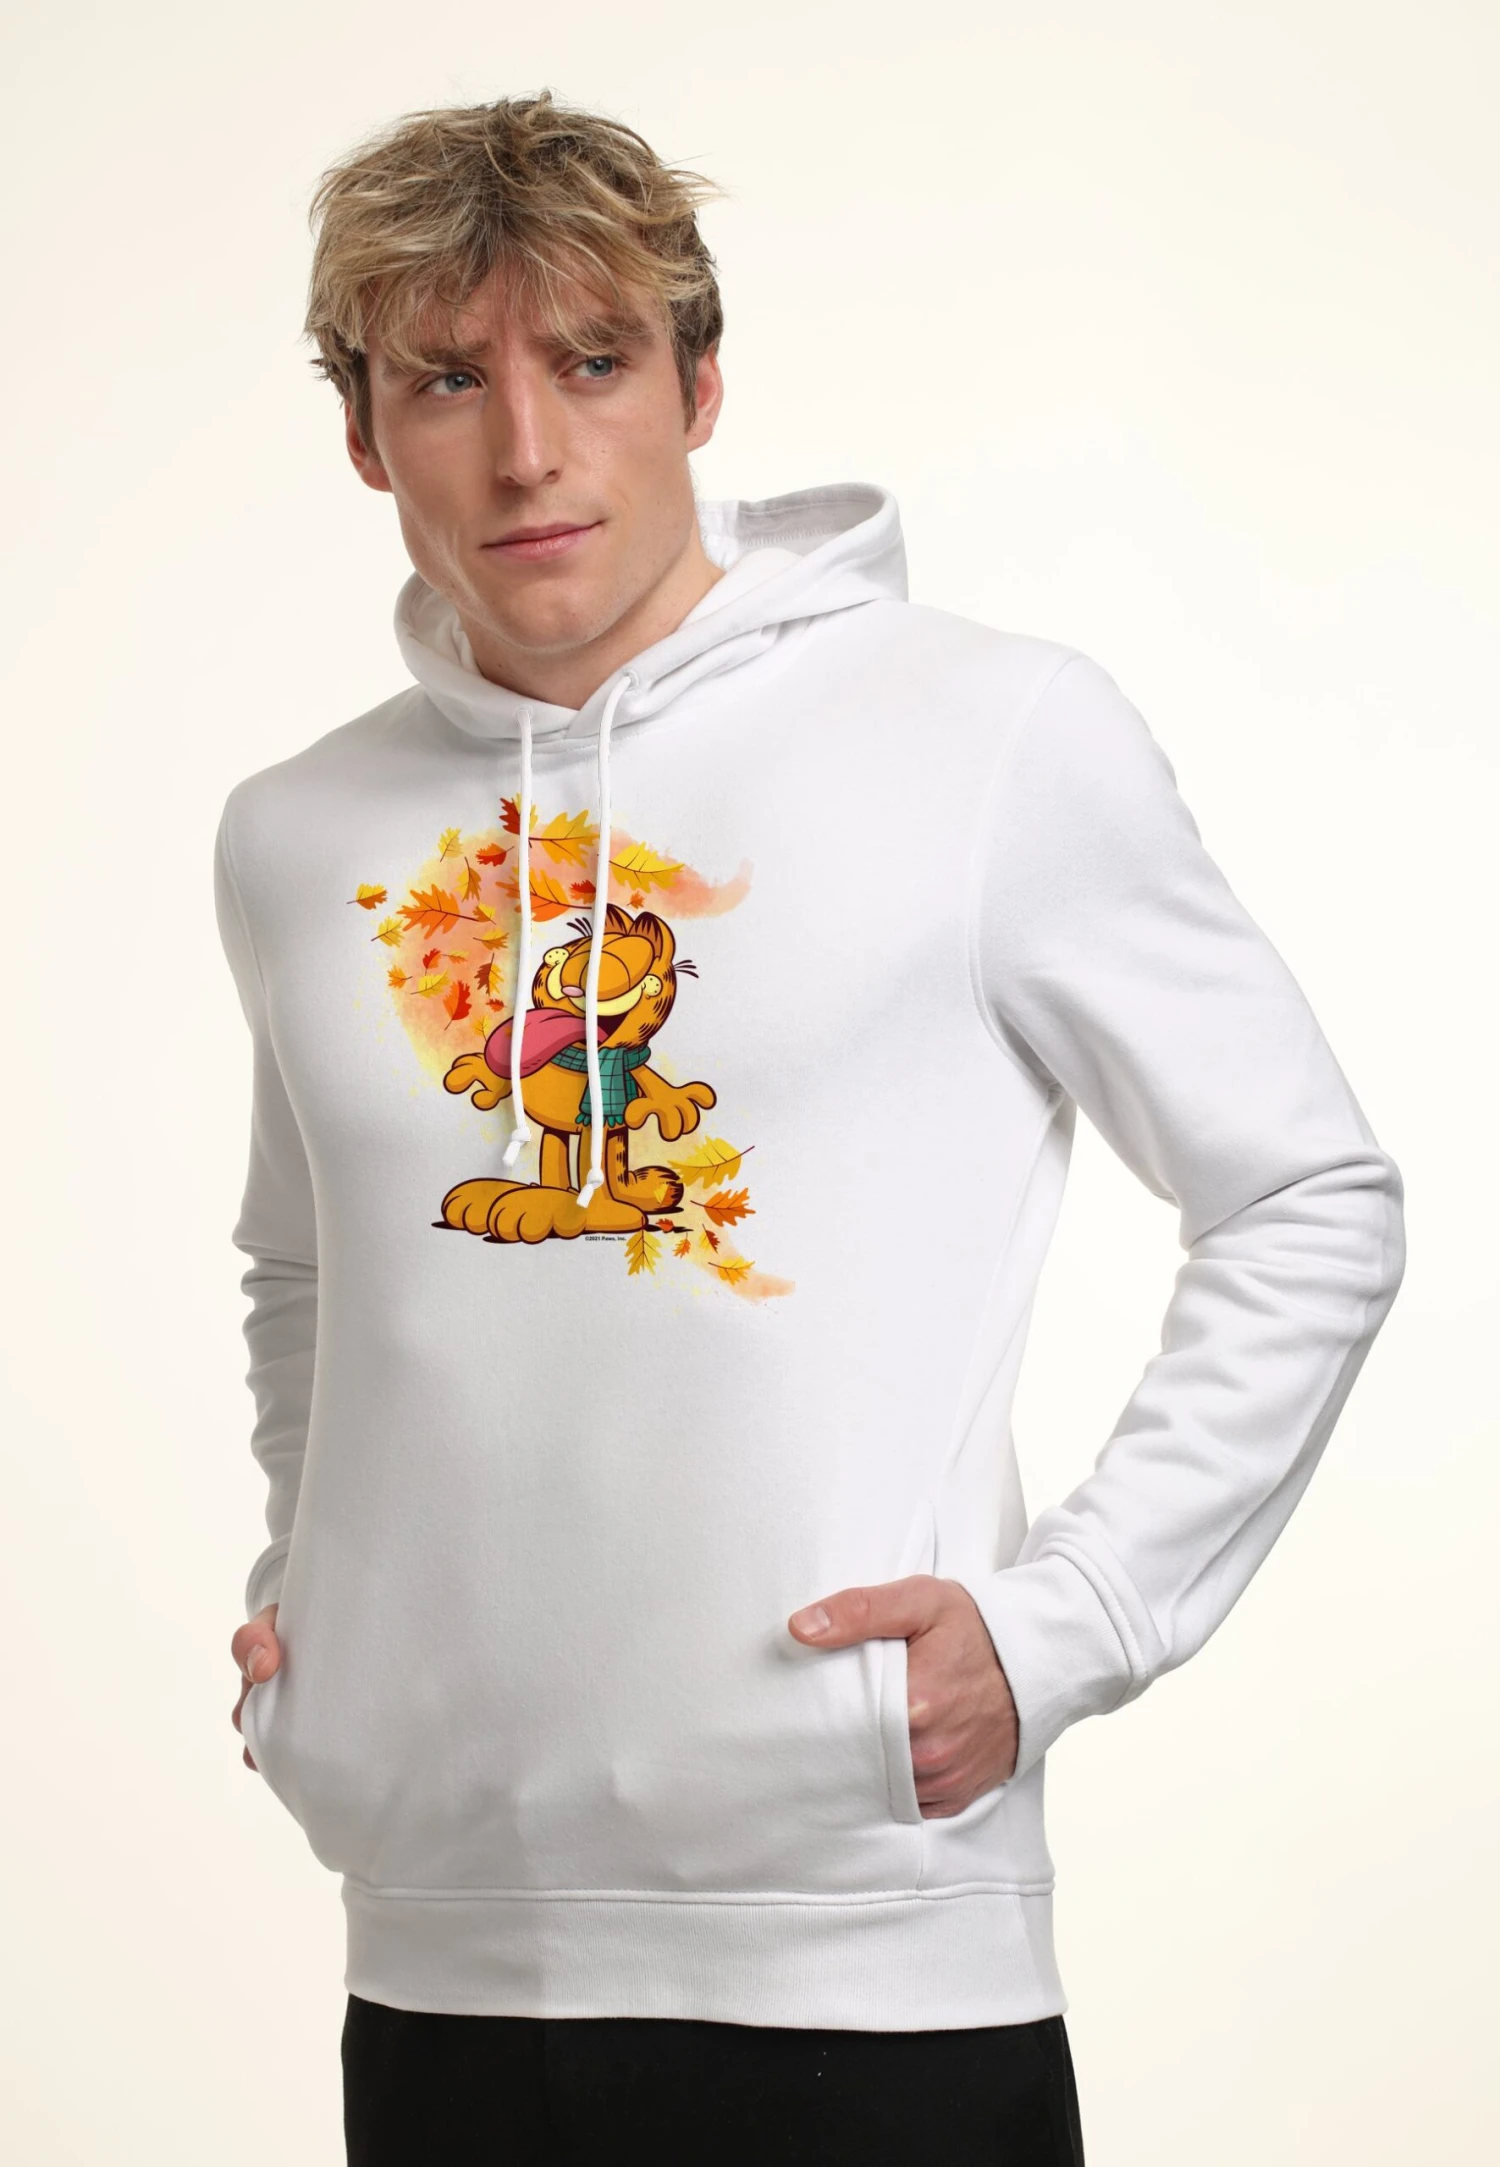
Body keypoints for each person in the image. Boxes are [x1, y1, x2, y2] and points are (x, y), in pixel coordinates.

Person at [213, 89, 1405, 2167]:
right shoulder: (296, 835)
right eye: (448, 379)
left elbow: (1308, 1194)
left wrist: (1064, 1626)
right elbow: (308, 1267)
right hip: (439, 1958)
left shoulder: (989, 735)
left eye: (592, 361)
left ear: (699, 383)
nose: (526, 448)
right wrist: (316, 1622)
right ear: (363, 433)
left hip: (872, 1959)